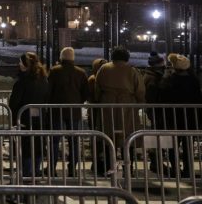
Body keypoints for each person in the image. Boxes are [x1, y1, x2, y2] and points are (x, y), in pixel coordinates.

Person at [94, 46, 145, 175]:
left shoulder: (104, 69)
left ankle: (108, 167)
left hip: (107, 105)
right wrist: (140, 103)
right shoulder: (132, 70)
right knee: (128, 138)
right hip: (126, 105)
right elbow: (140, 90)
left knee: (108, 137)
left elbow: (97, 88)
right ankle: (129, 168)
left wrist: (98, 100)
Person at [157, 54, 202, 178]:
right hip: (190, 118)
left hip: (173, 118)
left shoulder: (170, 80)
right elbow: (199, 100)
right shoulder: (193, 80)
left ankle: (175, 170)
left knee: (174, 146)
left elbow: (162, 95)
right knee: (188, 145)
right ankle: (188, 170)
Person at [47, 47, 89, 176]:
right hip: (74, 111)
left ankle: (52, 168)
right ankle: (72, 168)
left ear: (61, 57)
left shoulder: (54, 71)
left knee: (55, 140)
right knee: (73, 141)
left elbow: (48, 90)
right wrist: (78, 103)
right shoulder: (81, 73)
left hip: (56, 110)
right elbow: (85, 93)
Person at [9, 52, 50, 178]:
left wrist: (14, 116)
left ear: (26, 65)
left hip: (24, 118)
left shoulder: (22, 82)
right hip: (40, 118)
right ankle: (35, 172)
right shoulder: (43, 79)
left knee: (25, 148)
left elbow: (15, 102)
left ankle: (26, 175)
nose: (18, 64)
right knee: (37, 146)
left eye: (20, 62)